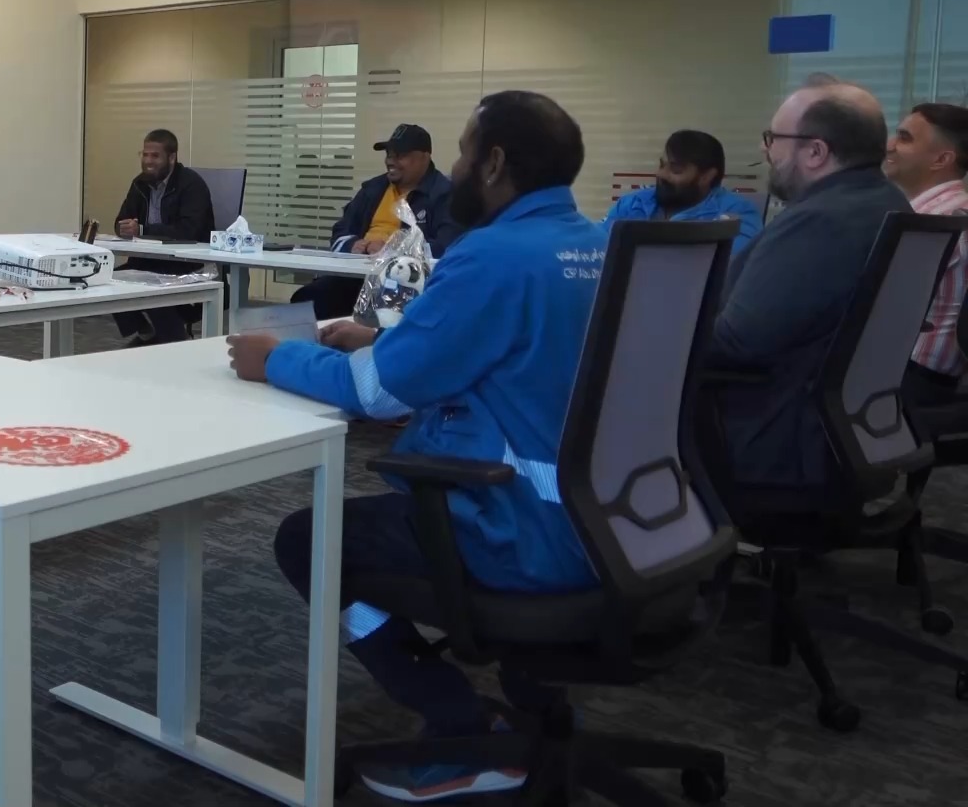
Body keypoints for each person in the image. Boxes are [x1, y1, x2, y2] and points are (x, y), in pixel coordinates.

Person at [228, 92, 604, 803]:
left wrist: (275, 358)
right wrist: (388, 339)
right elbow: (513, 352)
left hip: (520, 531)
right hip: (616, 524)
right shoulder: (597, 244)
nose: (454, 168)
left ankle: (459, 723)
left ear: (494, 163)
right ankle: (539, 707)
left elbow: (376, 394)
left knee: (308, 539)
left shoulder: (492, 255)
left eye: (463, 151)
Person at [708, 80, 908, 494]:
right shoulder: (886, 202)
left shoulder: (822, 222)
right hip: (843, 433)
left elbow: (736, 343)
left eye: (773, 138)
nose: (765, 150)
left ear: (816, 152)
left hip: (773, 441)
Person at [291, 124, 459, 320]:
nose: (391, 161)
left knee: (382, 314)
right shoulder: (372, 190)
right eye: (389, 155)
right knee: (307, 300)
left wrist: (392, 250)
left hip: (405, 284)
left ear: (424, 157)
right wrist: (353, 244)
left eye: (400, 156)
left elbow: (446, 248)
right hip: (357, 276)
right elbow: (339, 231)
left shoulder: (445, 195)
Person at [882, 102, 968, 408]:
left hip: (910, 381)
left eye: (905, 138)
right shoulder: (946, 211)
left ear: (941, 159)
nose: (890, 145)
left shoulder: (937, 221)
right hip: (918, 376)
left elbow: (877, 305)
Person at [111, 129, 215, 345]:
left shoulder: (191, 184)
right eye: (145, 155)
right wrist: (124, 228)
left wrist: (142, 230)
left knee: (152, 286)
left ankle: (176, 341)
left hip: (185, 263)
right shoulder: (139, 183)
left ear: (172, 157)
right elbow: (122, 220)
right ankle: (146, 332)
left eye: (155, 156)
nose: (148, 161)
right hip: (148, 260)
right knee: (108, 280)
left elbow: (189, 231)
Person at [601, 130, 762, 255]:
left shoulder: (737, 213)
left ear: (706, 176)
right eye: (661, 165)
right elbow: (597, 250)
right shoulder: (632, 203)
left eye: (676, 170)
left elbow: (731, 268)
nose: (661, 174)